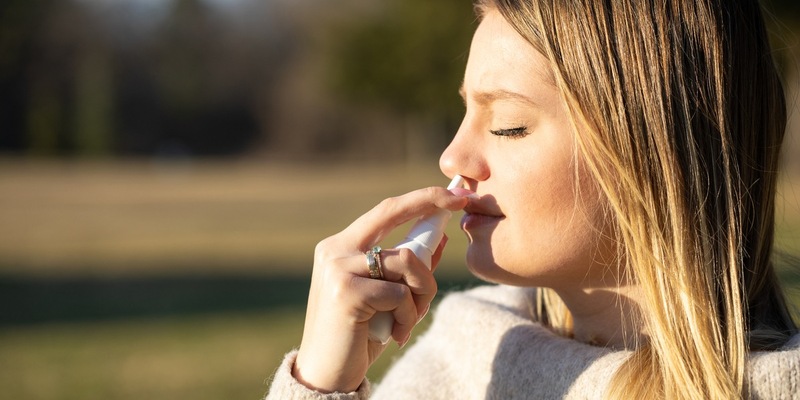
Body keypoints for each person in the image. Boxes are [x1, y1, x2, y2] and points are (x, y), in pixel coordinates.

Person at [266, 0, 800, 398]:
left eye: (508, 125)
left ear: (655, 151)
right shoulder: (463, 362)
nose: (452, 158)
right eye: (465, 114)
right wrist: (320, 383)